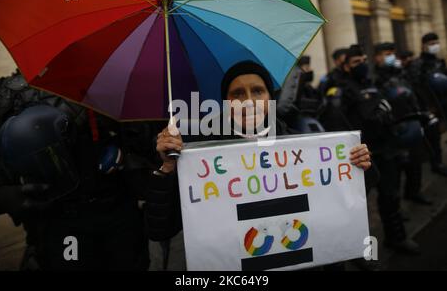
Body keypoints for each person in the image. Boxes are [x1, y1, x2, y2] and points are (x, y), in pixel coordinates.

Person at [154, 61, 373, 270]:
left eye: (258, 91)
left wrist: (359, 167)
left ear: (270, 98)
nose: (249, 101)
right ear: (226, 103)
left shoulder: (305, 148)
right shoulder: (197, 161)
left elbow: (345, 204)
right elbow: (160, 229)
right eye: (237, 94)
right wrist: (168, 170)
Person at [0, 71, 177, 270]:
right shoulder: (13, 97)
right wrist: (7, 197)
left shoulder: (121, 84)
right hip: (61, 220)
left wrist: (136, 160)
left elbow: (155, 155)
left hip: (119, 213)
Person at [324, 45, 420, 255]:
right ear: (347, 66)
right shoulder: (341, 89)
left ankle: (396, 238)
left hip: (383, 149)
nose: (362, 65)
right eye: (356, 62)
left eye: (363, 60)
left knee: (390, 197)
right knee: (355, 209)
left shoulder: (373, 84)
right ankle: (359, 252)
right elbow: (335, 123)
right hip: (358, 156)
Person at [372, 42, 431, 206]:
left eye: (392, 53)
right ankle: (396, 205)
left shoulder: (401, 74)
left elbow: (413, 94)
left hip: (411, 122)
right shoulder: (375, 79)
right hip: (393, 129)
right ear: (377, 57)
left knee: (415, 164)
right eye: (386, 54)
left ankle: (414, 192)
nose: (391, 57)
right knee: (395, 172)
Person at [407, 33, 447, 176]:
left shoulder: (439, 62)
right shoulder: (417, 64)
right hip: (429, 107)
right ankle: (436, 163)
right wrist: (426, 107)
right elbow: (415, 86)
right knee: (434, 137)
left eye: (436, 42)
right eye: (431, 43)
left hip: (443, 104)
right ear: (423, 46)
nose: (435, 46)